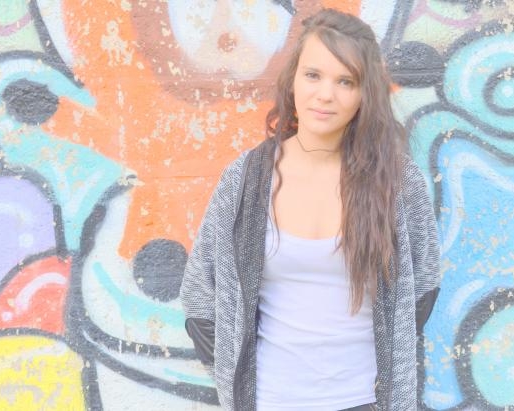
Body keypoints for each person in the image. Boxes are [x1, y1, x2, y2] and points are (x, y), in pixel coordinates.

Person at [179, 9, 440, 411]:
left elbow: (422, 287)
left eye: (345, 81)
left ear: (365, 93)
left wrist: (391, 370)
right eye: (313, 75)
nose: (325, 94)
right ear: (293, 79)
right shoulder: (246, 179)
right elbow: (200, 294)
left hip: (365, 402)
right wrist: (236, 375)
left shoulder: (397, 181)